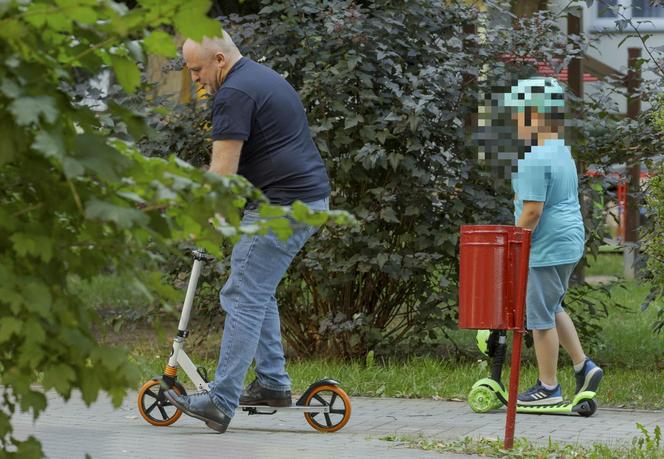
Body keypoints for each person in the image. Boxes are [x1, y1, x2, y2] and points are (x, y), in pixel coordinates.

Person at [165, 30, 331, 433]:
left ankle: (220, 401)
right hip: (302, 200)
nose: (196, 80)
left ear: (219, 60)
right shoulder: (262, 77)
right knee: (255, 290)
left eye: (198, 70)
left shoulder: (234, 94)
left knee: (240, 294)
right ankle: (272, 384)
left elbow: (223, 172)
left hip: (284, 206)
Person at [505, 77, 603, 405]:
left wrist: (513, 243)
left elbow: (532, 211)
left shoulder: (534, 157)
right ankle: (583, 365)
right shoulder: (560, 150)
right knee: (553, 306)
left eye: (518, 114)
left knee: (539, 317)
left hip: (546, 247)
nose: (514, 121)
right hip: (568, 242)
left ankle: (548, 387)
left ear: (535, 115)